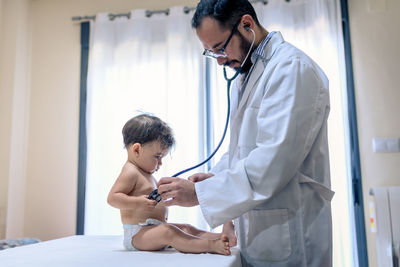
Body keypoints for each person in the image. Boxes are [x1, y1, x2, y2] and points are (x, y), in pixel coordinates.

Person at [157, 0, 335, 266]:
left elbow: (273, 162)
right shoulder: (246, 76)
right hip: (258, 233)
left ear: (247, 25)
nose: (219, 62)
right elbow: (242, 149)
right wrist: (212, 177)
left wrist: (200, 194)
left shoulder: (291, 68)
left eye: (219, 48)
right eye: (210, 53)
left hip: (293, 234)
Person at [107, 114, 232, 255]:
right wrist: (137, 202)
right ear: (137, 150)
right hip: (137, 234)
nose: (160, 163)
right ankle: (211, 245)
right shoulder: (130, 171)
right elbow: (112, 198)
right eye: (157, 157)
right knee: (169, 232)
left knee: (186, 228)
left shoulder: (147, 174)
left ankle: (223, 237)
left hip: (153, 229)